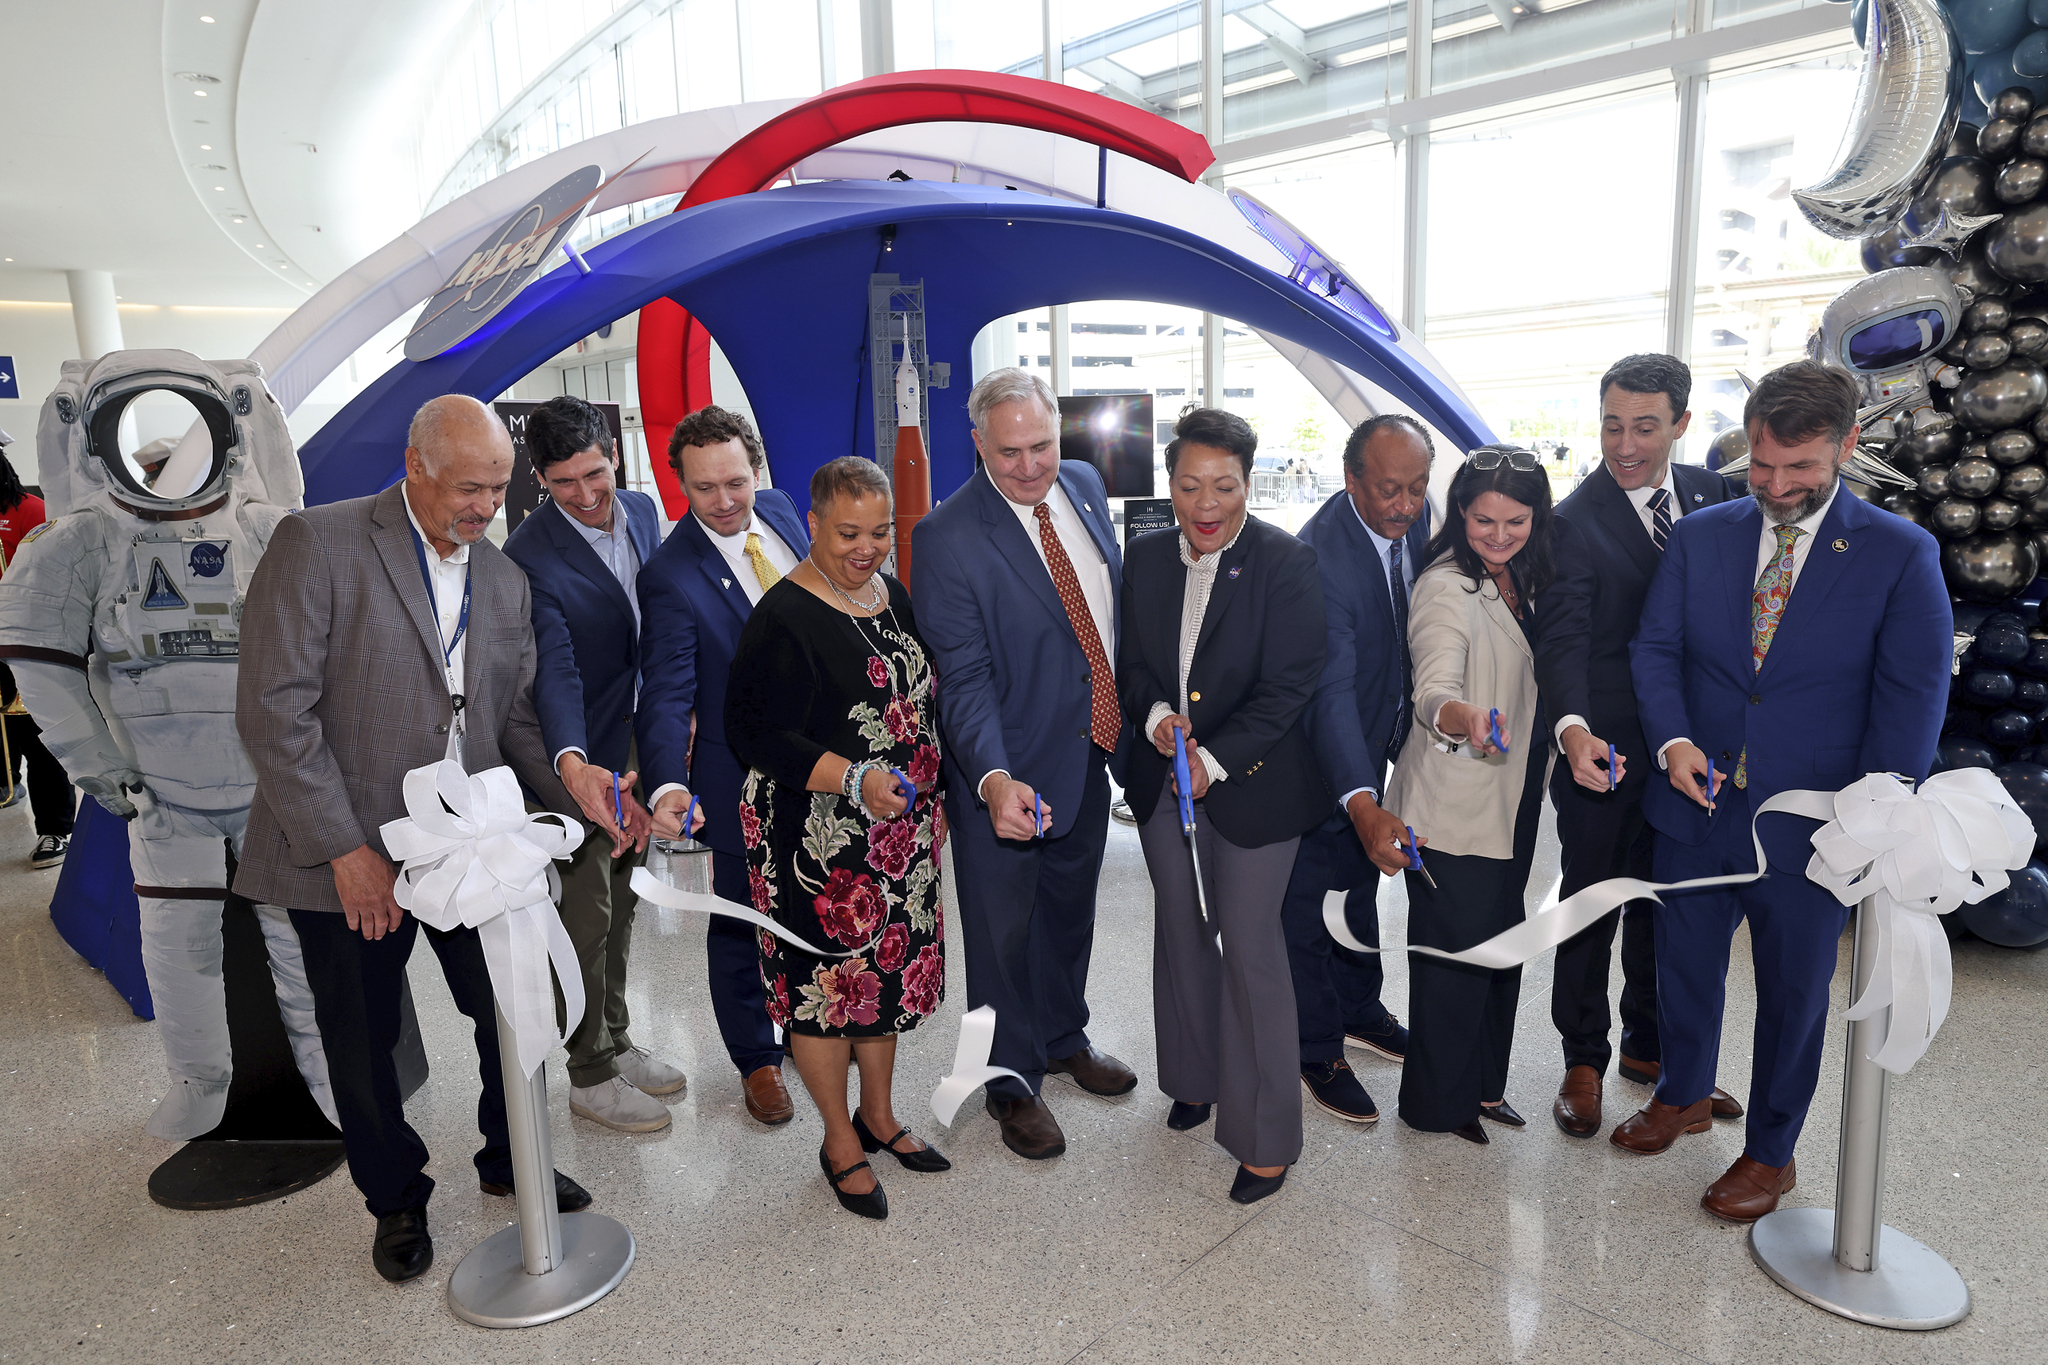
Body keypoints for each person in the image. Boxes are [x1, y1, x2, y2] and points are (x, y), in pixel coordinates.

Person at [234, 395, 592, 1284]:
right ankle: (394, 1197)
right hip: (347, 845)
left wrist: (580, 797)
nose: (484, 506)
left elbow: (510, 723)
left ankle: (510, 1153)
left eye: (500, 487)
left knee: (512, 1002)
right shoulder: (317, 544)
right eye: (468, 487)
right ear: (415, 466)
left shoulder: (503, 580)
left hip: (463, 843)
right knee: (361, 1038)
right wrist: (345, 850)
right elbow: (276, 712)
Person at [1622, 360, 1949, 1220]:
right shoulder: (1703, 536)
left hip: (1814, 825)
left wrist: (1872, 815)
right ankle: (1685, 1091)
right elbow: (1656, 651)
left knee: (1793, 993)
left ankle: (1771, 1150)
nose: (1777, 486)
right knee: (1682, 967)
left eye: (1800, 469)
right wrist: (1675, 740)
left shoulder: (1899, 554)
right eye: (1763, 466)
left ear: (1846, 446)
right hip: (1695, 807)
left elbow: (1911, 696)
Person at [0, 351, 334, 1141]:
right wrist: (98, 766)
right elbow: (40, 667)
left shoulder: (262, 527)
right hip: (159, 786)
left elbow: (327, 643)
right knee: (178, 947)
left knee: (299, 940)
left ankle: (328, 1077)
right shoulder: (84, 541)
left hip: (269, 782)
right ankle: (199, 1080)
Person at [911, 368, 1137, 1161]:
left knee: (1070, 912)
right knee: (1003, 935)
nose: (1031, 465)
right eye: (1010, 452)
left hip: (1089, 750)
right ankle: (1011, 1081)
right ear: (978, 445)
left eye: (1041, 444)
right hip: (1004, 773)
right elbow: (963, 678)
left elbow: (1104, 607)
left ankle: (1063, 1036)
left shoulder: (1081, 483)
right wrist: (994, 778)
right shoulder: (945, 538)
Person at [726, 456, 949, 1221]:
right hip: (813, 838)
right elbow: (753, 733)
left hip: (899, 832)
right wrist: (855, 782)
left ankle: (879, 1116)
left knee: (882, 980)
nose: (867, 547)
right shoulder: (782, 615)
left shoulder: (891, 595)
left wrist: (935, 794)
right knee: (828, 994)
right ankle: (837, 1139)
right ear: (813, 523)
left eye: (881, 530)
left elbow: (920, 702)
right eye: (849, 531)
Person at [1118, 408, 1329, 1205]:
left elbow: (1288, 688)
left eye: (1225, 485)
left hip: (1254, 787)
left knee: (1248, 946)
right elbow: (1132, 662)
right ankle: (1195, 1077)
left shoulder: (1286, 562)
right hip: (1158, 776)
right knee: (1179, 927)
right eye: (1189, 485)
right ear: (1169, 485)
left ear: (1249, 480)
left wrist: (1208, 758)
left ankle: (1268, 1135)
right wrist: (1156, 719)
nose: (1207, 504)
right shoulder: (1143, 557)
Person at [1536, 355, 1742, 1139]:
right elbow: (1561, 643)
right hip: (1608, 751)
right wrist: (1572, 729)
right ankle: (1582, 1058)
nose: (1625, 444)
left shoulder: (1715, 494)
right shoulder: (1569, 520)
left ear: (1681, 424)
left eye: (1645, 426)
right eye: (1612, 424)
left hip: (1697, 753)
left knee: (1674, 905)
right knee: (1593, 904)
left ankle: (1655, 1053)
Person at [502, 395, 682, 1134]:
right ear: (541, 478)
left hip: (640, 739)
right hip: (578, 752)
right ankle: (588, 1072)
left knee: (628, 896)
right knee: (586, 911)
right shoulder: (528, 555)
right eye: (564, 482)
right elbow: (557, 669)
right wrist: (574, 763)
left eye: (595, 473)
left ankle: (617, 1036)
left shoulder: (641, 511)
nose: (585, 494)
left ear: (614, 452)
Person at [636, 405, 806, 1126]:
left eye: (735, 480)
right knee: (740, 921)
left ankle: (807, 1024)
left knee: (810, 903)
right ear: (680, 485)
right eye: (704, 488)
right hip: (736, 778)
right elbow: (668, 692)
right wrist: (669, 780)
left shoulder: (784, 512)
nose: (726, 500)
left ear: (757, 470)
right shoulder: (670, 574)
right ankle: (756, 1061)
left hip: (819, 770)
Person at [1385, 446, 1556, 1144]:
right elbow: (1435, 686)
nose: (1498, 533)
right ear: (1460, 514)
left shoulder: (1522, 572)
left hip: (1508, 798)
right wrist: (1460, 716)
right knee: (1452, 964)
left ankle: (1483, 1086)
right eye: (1483, 519)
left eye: (1515, 520)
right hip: (1452, 806)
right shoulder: (1446, 585)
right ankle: (1434, 1105)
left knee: (1498, 952)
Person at [1280, 414, 1432, 1126]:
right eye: (1389, 490)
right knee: (1311, 902)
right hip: (1315, 759)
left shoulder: (1416, 525)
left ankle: (1357, 1006)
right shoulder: (1318, 559)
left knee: (1358, 886)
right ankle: (1316, 1046)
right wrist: (1361, 798)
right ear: (1352, 481)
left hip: (1374, 740)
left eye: (1417, 487)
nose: (1405, 504)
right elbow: (1330, 692)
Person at [0, 439, 73, 868]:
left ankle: (55, 829)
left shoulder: (31, 511)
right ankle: (7, 784)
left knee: (40, 741)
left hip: (24, 640)